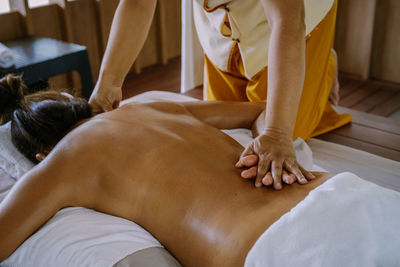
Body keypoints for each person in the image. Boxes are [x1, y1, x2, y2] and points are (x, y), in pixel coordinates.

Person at [0, 75, 325, 265]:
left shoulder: (62, 160)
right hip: (329, 193)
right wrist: (270, 143)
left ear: (41, 155)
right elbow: (259, 112)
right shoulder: (150, 106)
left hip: (275, 250)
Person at [89, 0, 351, 190]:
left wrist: (277, 133)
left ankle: (324, 63)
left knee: (286, 134)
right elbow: (137, 3)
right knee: (229, 135)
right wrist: (107, 83)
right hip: (222, 28)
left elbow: (288, 22)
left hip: (293, 21)